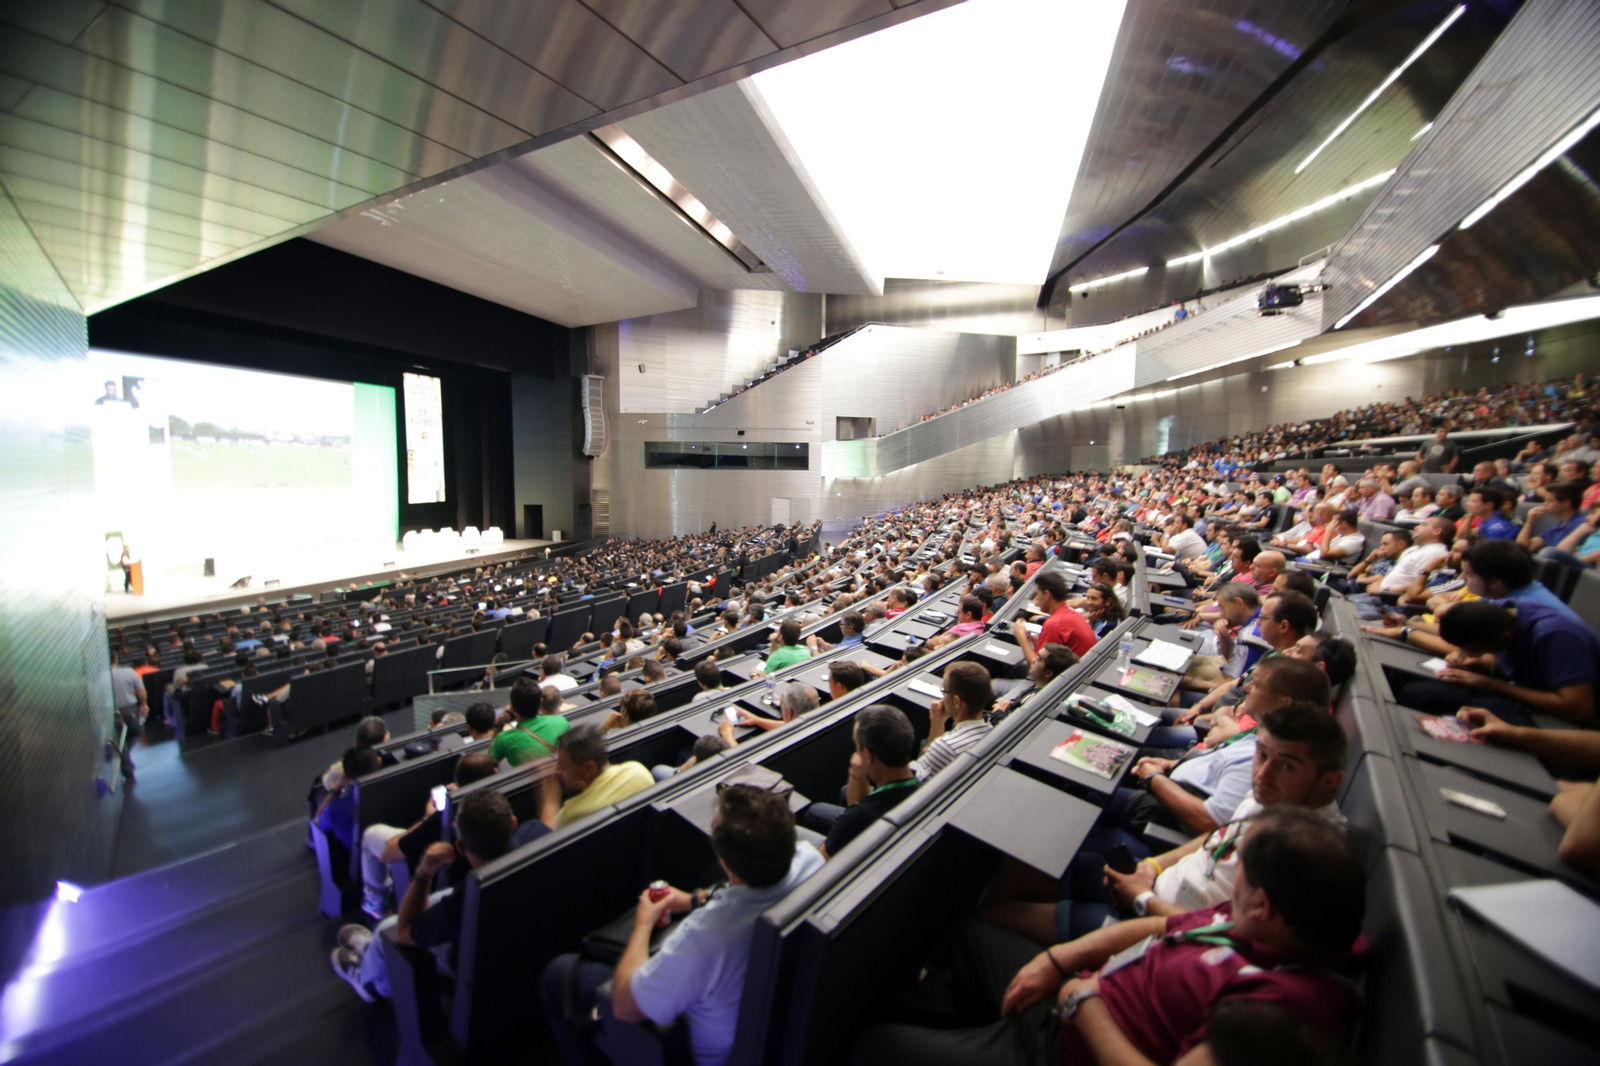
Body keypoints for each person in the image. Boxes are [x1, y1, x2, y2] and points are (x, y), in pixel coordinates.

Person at [850, 808, 1366, 1066]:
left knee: (876, 1045)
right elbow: (1164, 925)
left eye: (1241, 879)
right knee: (968, 933)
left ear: (1264, 905)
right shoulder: (1270, 921)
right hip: (1073, 988)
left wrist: (1082, 1002)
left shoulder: (1282, 1013)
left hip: (1065, 1044)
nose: (1228, 888)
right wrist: (1059, 960)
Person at [985, 700, 1348, 943]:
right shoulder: (1272, 796)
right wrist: (1151, 868)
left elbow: (1230, 938)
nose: (1263, 775)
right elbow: (1217, 836)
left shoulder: (1309, 854)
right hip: (1150, 883)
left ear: (1331, 780)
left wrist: (1143, 899)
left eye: (1287, 766)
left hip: (1158, 928)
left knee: (991, 917)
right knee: (1023, 864)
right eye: (1262, 755)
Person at [541, 785, 825, 1066]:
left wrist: (643, 922)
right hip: (780, 1025)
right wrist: (693, 899)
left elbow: (625, 1007)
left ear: (726, 864)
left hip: (704, 1054)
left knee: (558, 973)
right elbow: (746, 893)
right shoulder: (811, 860)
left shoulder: (706, 936)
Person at [332, 790, 518, 1002]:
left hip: (473, 959)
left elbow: (404, 932)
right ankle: (371, 950)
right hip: (516, 927)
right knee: (434, 902)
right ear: (513, 823)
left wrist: (423, 873)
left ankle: (370, 983)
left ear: (460, 846)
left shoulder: (466, 902)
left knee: (388, 931)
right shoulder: (535, 832)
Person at [1394, 599, 1599, 726]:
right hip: (1520, 690)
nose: (1466, 654)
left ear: (1504, 638)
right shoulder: (1505, 612)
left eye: (1474, 650)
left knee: (1419, 695)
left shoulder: (1557, 637)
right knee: (1402, 676)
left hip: (1562, 719)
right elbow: (1523, 663)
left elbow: (1578, 709)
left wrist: (1493, 685)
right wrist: (1480, 664)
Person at [799, 704, 921, 858]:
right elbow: (861, 804)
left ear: (868, 756)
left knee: (813, 813)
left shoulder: (856, 819)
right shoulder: (923, 784)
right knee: (845, 791)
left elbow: (820, 862)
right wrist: (857, 775)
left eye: (857, 748)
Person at [538, 724, 655, 830]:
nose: (558, 772)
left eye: (562, 766)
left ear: (588, 768)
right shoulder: (638, 771)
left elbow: (549, 838)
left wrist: (551, 799)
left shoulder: (570, 815)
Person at [912, 662, 993, 782]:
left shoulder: (945, 747)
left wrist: (936, 723)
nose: (943, 696)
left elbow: (919, 781)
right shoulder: (992, 730)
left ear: (956, 702)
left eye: (944, 691)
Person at [1014, 570, 1095, 662]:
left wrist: (1021, 637)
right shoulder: (1074, 615)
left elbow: (1036, 664)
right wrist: (1030, 639)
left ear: (1047, 595)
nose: (1035, 600)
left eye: (1037, 594)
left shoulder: (1055, 624)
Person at [491, 677, 570, 766]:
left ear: (512, 708)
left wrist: (498, 726)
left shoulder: (503, 739)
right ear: (541, 702)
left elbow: (491, 762)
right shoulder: (561, 721)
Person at [720, 681, 819, 744]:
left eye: (781, 703)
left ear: (789, 713)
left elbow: (744, 765)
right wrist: (757, 720)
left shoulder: (789, 743)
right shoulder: (816, 724)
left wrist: (727, 734)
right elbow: (792, 724)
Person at [109, 649, 149, 783]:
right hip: (130, 708)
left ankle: (124, 757)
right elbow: (141, 690)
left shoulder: (100, 676)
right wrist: (143, 704)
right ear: (116, 659)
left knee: (121, 739)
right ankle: (127, 766)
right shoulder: (129, 672)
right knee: (135, 732)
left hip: (113, 711)